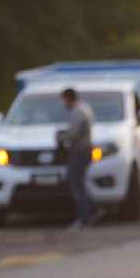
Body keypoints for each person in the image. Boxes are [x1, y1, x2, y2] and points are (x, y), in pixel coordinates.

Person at [58, 88, 96, 229]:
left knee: (76, 185)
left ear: (68, 98)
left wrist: (60, 136)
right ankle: (92, 209)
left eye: (63, 100)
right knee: (79, 183)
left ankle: (84, 217)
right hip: (84, 150)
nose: (63, 103)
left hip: (80, 151)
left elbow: (73, 133)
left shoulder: (78, 112)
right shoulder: (84, 108)